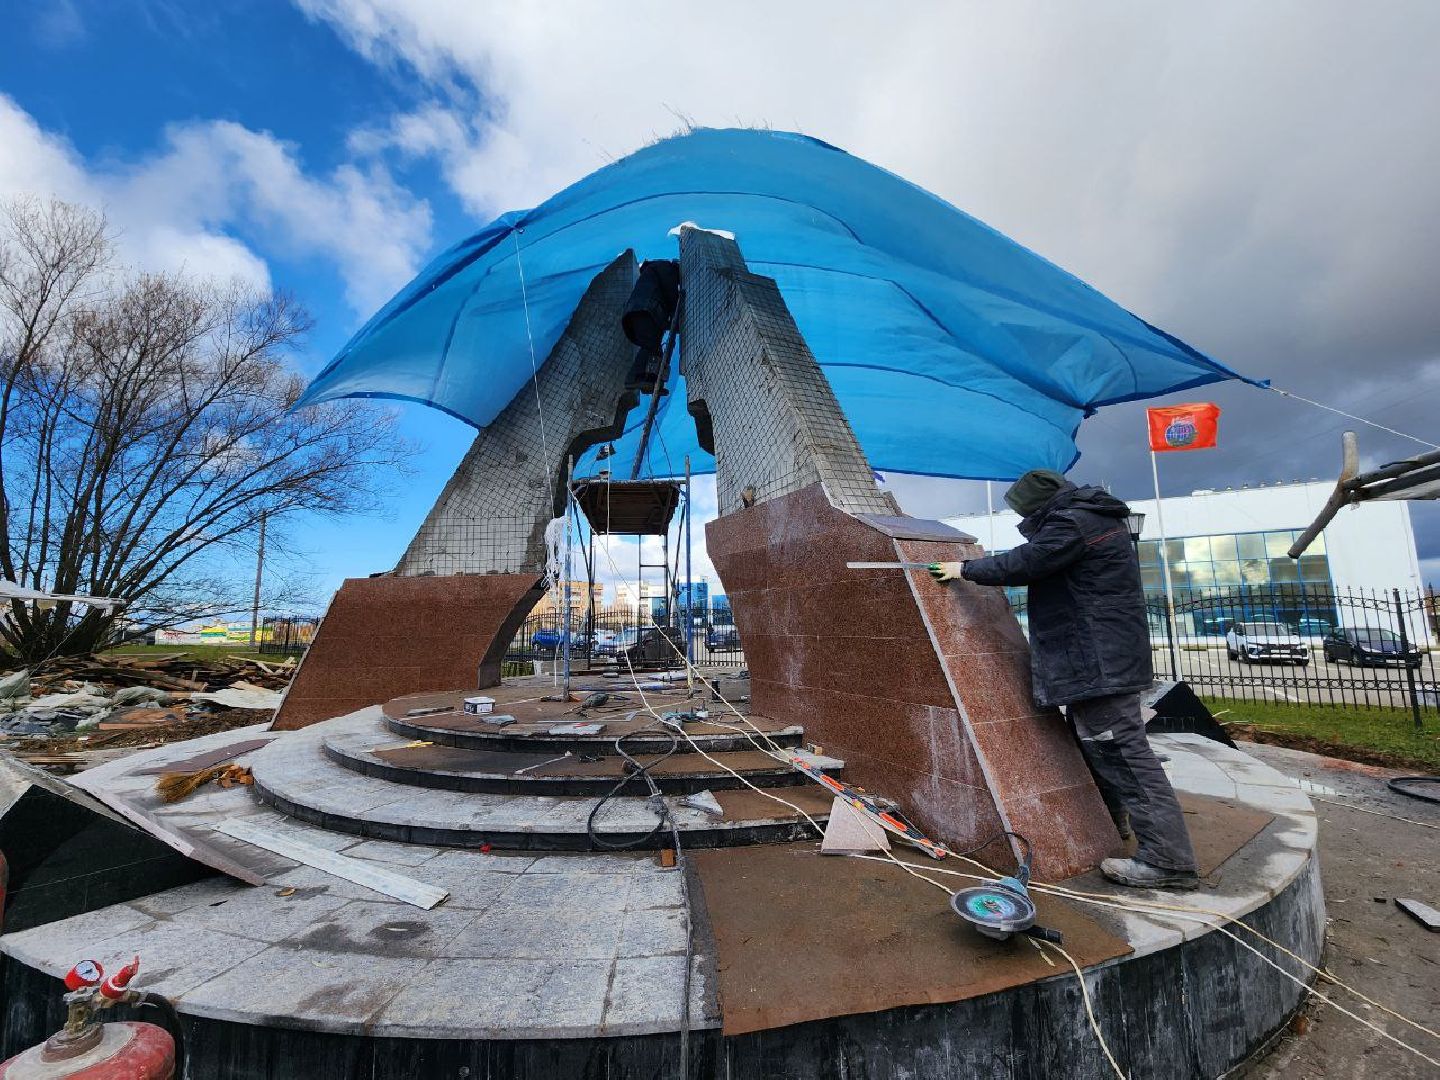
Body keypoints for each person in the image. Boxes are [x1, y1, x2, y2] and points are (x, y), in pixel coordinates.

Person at [929, 468, 1199, 890]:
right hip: (1103, 659)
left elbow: (1029, 561)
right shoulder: (1090, 517)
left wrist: (964, 568)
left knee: (1124, 754)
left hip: (1099, 662)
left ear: (1037, 506)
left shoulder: (1072, 522)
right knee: (1106, 749)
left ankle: (1168, 861)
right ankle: (1116, 823)